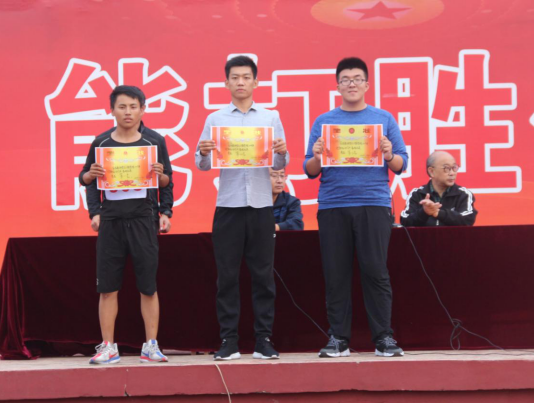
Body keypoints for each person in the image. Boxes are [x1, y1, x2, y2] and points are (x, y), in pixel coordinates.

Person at [304, 57, 408, 358]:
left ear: (367, 84)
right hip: (333, 204)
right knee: (336, 274)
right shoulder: (324, 122)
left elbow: (401, 164)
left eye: (357, 79)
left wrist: (388, 154)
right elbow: (309, 170)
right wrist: (317, 156)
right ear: (337, 86)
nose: (351, 84)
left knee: (375, 271)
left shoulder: (383, 119)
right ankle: (338, 338)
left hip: (373, 203)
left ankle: (384, 338)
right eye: (346, 79)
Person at [195, 56, 289, 361]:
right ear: (226, 83)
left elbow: (280, 163)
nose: (240, 82)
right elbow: (202, 164)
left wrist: (281, 153)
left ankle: (263, 339)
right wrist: (204, 153)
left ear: (256, 82)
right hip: (229, 205)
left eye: (246, 77)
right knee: (227, 277)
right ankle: (229, 340)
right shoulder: (215, 119)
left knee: (263, 276)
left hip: (261, 205)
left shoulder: (270, 117)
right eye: (234, 77)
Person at [79, 85, 172, 364]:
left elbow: (167, 180)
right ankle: (108, 346)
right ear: (112, 110)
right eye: (122, 106)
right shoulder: (101, 143)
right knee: (107, 287)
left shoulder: (154, 141)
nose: (128, 112)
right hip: (111, 220)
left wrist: (165, 210)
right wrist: (94, 212)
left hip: (144, 218)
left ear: (143, 109)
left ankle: (151, 345)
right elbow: (87, 178)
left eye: (133, 106)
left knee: (148, 286)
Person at [400, 151, 477, 226]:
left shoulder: (463, 194)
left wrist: (438, 213)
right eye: (446, 168)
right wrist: (424, 212)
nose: (452, 173)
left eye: (454, 168)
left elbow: (468, 220)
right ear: (431, 171)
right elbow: (405, 220)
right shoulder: (417, 194)